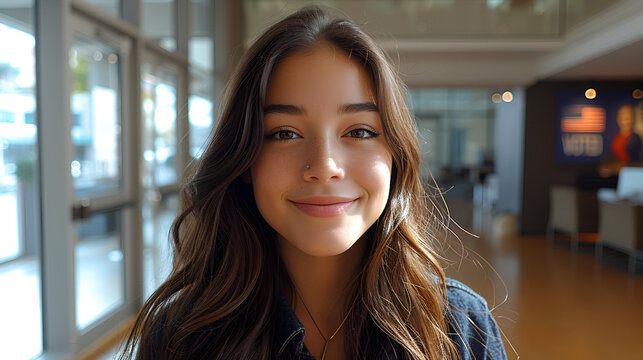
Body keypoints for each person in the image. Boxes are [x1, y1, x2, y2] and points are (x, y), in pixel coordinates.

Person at [120, 7, 507, 360]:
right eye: (285, 133)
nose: (324, 166)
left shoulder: (459, 328)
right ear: (243, 161)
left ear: (396, 156)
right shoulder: (181, 337)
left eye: (358, 131)